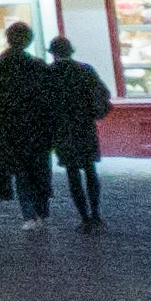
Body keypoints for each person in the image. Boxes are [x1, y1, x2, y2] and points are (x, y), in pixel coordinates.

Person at [0, 19, 58, 224]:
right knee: (39, 169)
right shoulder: (38, 65)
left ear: (8, 39)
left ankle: (29, 215)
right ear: (28, 41)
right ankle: (42, 210)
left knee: (20, 172)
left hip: (7, 128)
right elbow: (48, 100)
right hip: (36, 128)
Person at [44, 37, 114, 232]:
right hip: (84, 127)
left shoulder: (49, 74)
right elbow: (103, 94)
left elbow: (43, 105)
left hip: (62, 130)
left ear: (53, 53)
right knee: (90, 170)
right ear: (71, 51)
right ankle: (96, 214)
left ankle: (84, 217)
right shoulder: (85, 70)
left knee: (72, 173)